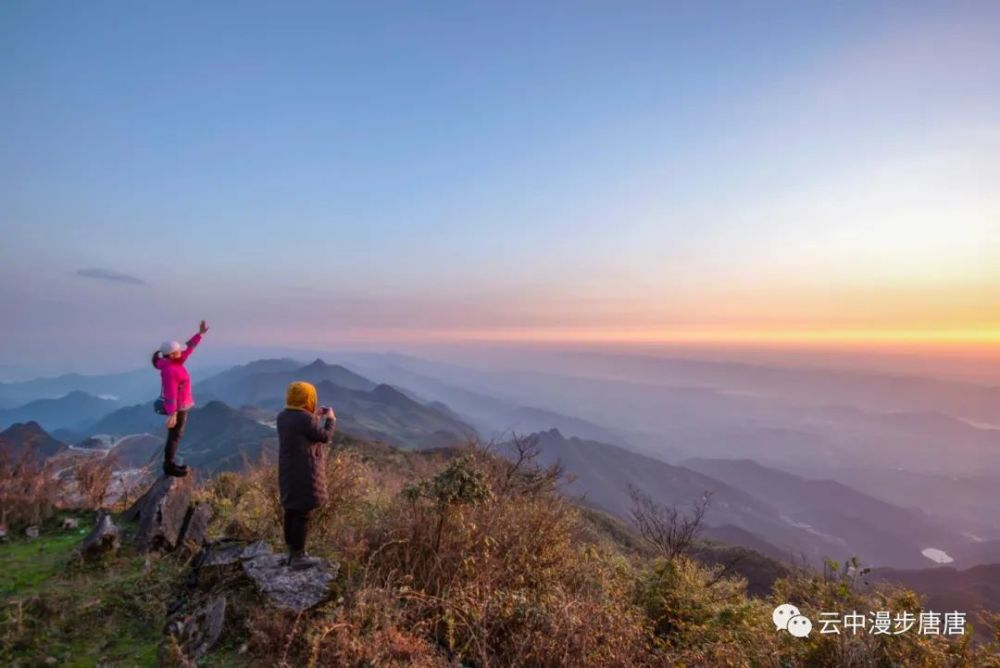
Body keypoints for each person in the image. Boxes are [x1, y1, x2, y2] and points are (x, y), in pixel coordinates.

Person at [277, 381, 337, 570]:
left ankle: (290, 552)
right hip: (305, 472)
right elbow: (324, 437)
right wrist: (330, 420)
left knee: (291, 510)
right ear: (308, 399)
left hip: (288, 470)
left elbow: (303, 432)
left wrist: (313, 417)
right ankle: (298, 556)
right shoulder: (305, 420)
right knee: (303, 512)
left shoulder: (283, 416)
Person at [152, 320, 209, 477]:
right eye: (177, 351)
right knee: (174, 437)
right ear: (171, 354)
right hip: (178, 408)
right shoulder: (170, 370)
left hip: (181, 406)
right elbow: (170, 393)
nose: (180, 352)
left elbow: (189, 349)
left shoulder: (175, 362)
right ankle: (169, 466)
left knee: (176, 436)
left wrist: (200, 334)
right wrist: (173, 413)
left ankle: (170, 464)